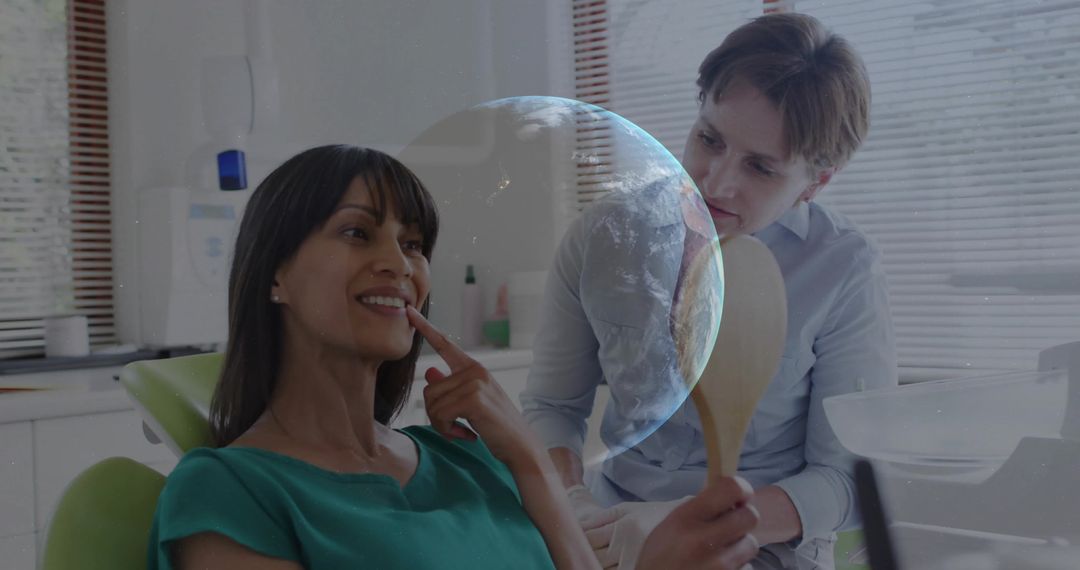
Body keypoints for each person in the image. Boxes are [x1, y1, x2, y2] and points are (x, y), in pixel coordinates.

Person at [146, 144, 761, 570]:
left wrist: (525, 455)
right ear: (275, 273)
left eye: (412, 244)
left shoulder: (470, 459)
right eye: (358, 232)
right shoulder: (227, 491)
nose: (401, 264)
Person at [520, 13, 898, 570]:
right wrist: (569, 499)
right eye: (709, 139)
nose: (716, 181)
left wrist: (703, 522)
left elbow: (846, 481)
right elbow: (552, 405)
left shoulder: (843, 268)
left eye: (761, 168)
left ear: (816, 182)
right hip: (609, 531)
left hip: (760, 549)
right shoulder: (606, 237)